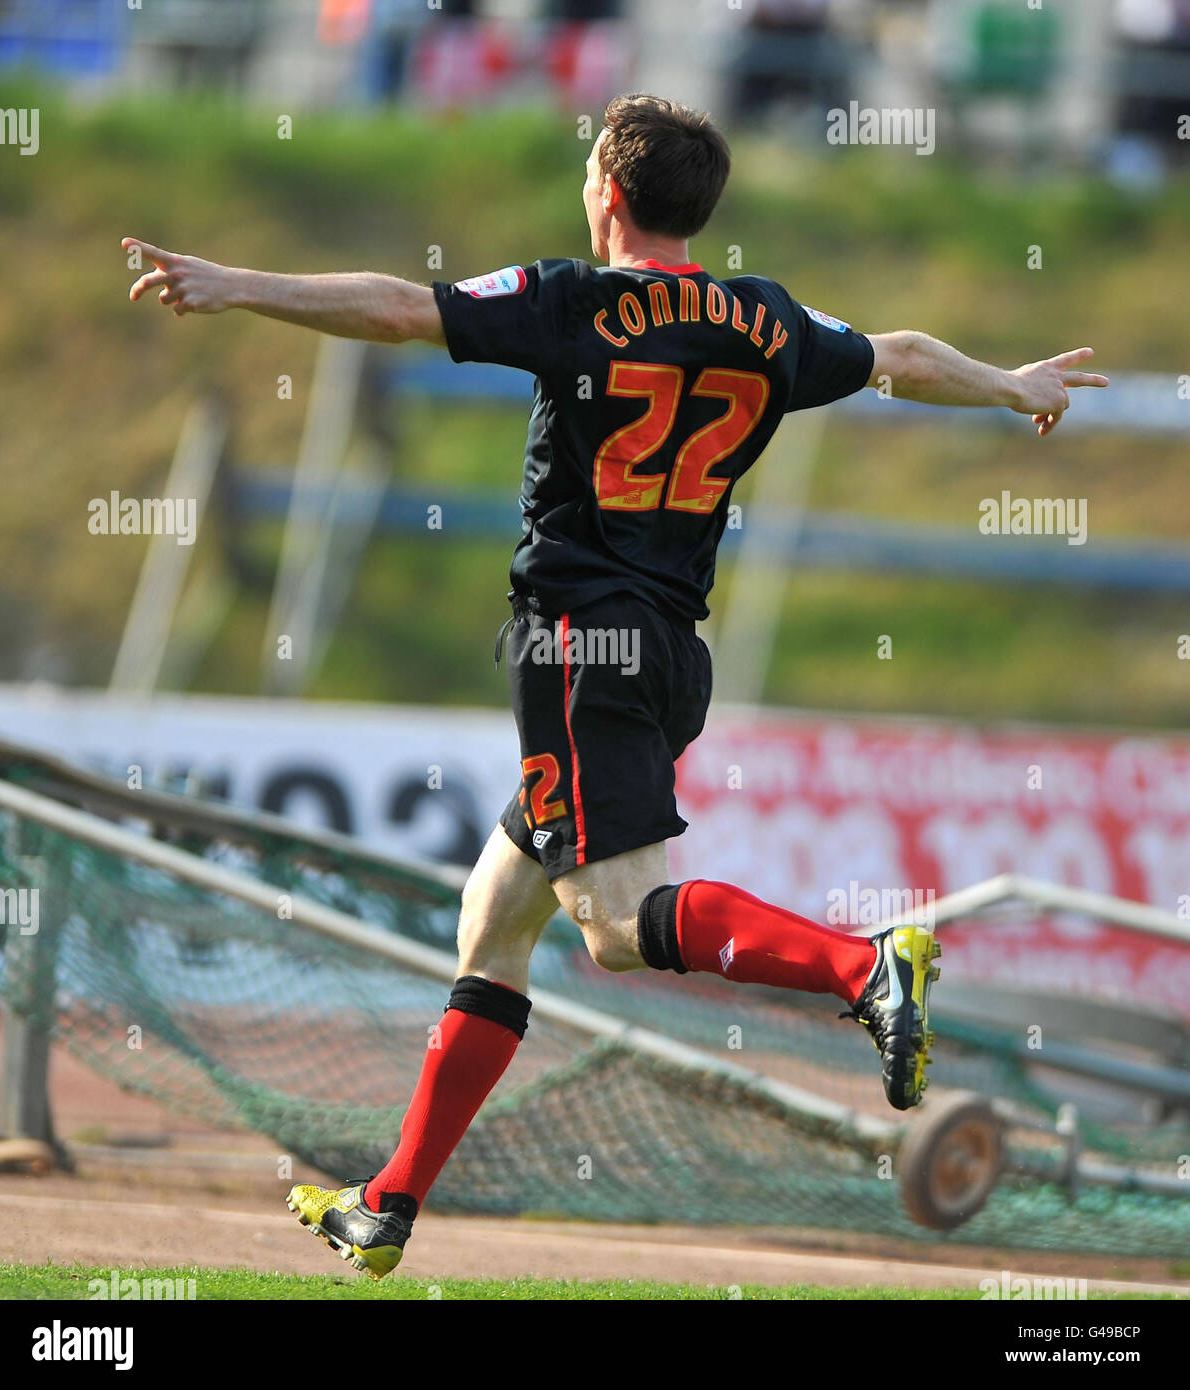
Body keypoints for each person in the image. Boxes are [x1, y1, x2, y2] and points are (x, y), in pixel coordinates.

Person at [123, 92, 1107, 1279]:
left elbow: (395, 304)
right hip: (667, 650)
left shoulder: (574, 303)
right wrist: (1013, 384)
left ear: (607, 189)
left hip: (577, 644)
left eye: (590, 166)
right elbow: (896, 356)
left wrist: (233, 282)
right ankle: (388, 1201)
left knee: (619, 931)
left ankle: (863, 968)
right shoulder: (763, 320)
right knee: (494, 923)